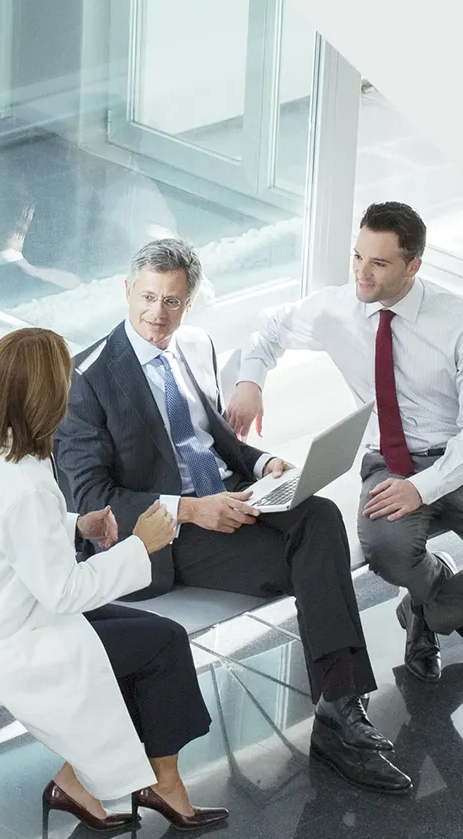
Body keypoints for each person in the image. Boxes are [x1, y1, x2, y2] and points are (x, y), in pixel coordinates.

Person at [55, 238, 414, 796]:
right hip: (163, 535)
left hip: (231, 498)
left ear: (189, 303)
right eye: (147, 297)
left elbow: (215, 442)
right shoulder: (87, 378)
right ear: (126, 292)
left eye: (172, 301)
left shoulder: (194, 346)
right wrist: (194, 509)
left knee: (318, 515)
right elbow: (89, 498)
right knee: (312, 555)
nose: (157, 313)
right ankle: (341, 719)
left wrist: (265, 462)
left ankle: (340, 709)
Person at [224, 201, 463, 683]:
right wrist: (251, 381)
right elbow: (271, 327)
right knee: (386, 551)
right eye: (357, 257)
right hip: (388, 462)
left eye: (378, 263)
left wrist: (423, 487)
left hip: (462, 460)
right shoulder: (340, 308)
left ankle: (426, 613)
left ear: (414, 265)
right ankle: (438, 589)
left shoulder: (460, 325)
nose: (361, 274)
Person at [0, 327, 229, 834]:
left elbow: (3, 533)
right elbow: (63, 591)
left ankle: (77, 783)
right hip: (7, 640)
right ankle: (162, 782)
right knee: (163, 643)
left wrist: (75, 523)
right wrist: (143, 544)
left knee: (144, 638)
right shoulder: (23, 483)